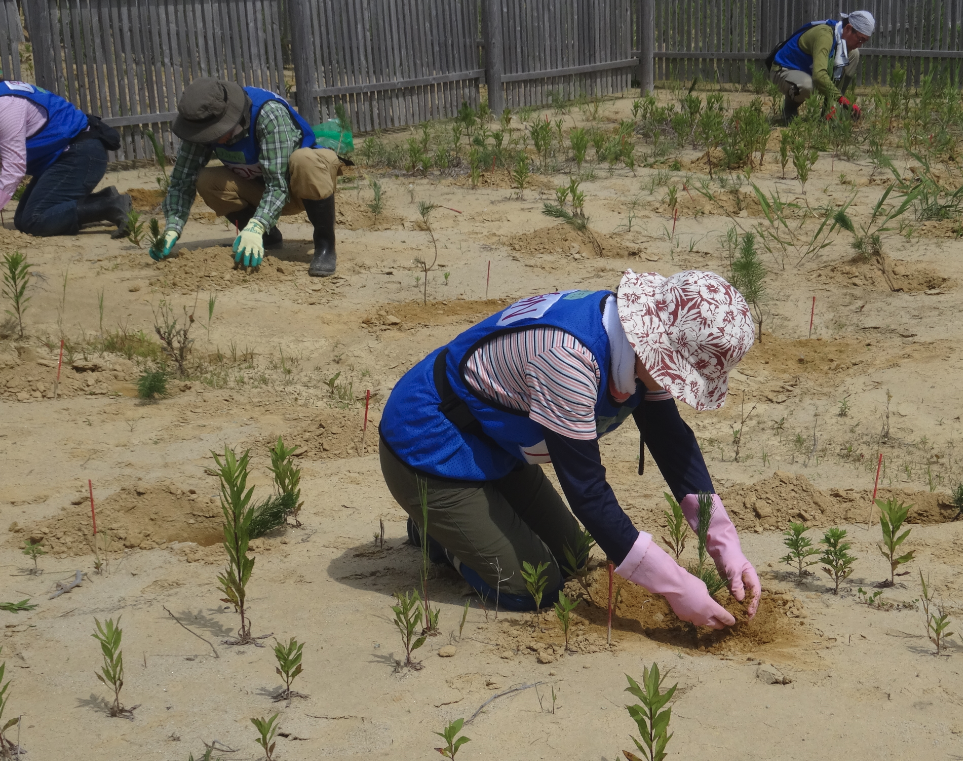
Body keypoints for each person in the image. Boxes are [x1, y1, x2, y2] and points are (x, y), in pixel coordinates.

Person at [379, 270, 762, 630]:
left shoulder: (635, 344)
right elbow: (588, 494)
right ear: (656, 346)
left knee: (574, 559)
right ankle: (435, 535)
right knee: (536, 587)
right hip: (428, 444)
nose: (678, 385)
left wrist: (725, 546)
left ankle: (463, 523)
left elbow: (671, 440)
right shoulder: (568, 358)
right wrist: (676, 586)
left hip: (497, 444)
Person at [149, 78, 341, 276]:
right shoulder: (203, 122)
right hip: (262, 190)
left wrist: (256, 225)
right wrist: (172, 227)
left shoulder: (269, 115)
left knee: (305, 160)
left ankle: (325, 245)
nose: (210, 138)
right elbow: (182, 179)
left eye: (214, 132)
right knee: (206, 180)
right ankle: (268, 238)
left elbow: (278, 184)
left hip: (300, 187)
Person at [0, 80, 129, 237]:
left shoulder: (6, 105)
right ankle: (102, 199)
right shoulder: (6, 94)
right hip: (63, 156)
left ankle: (110, 206)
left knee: (35, 219)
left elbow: (14, 167)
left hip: (80, 154)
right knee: (21, 220)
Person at [766, 11, 875, 124]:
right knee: (807, 86)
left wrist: (838, 100)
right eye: (860, 39)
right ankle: (789, 110)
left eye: (864, 41)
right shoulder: (825, 36)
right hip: (783, 70)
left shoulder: (838, 35)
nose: (860, 44)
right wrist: (842, 100)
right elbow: (819, 76)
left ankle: (831, 110)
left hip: (805, 71)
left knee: (854, 54)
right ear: (848, 28)